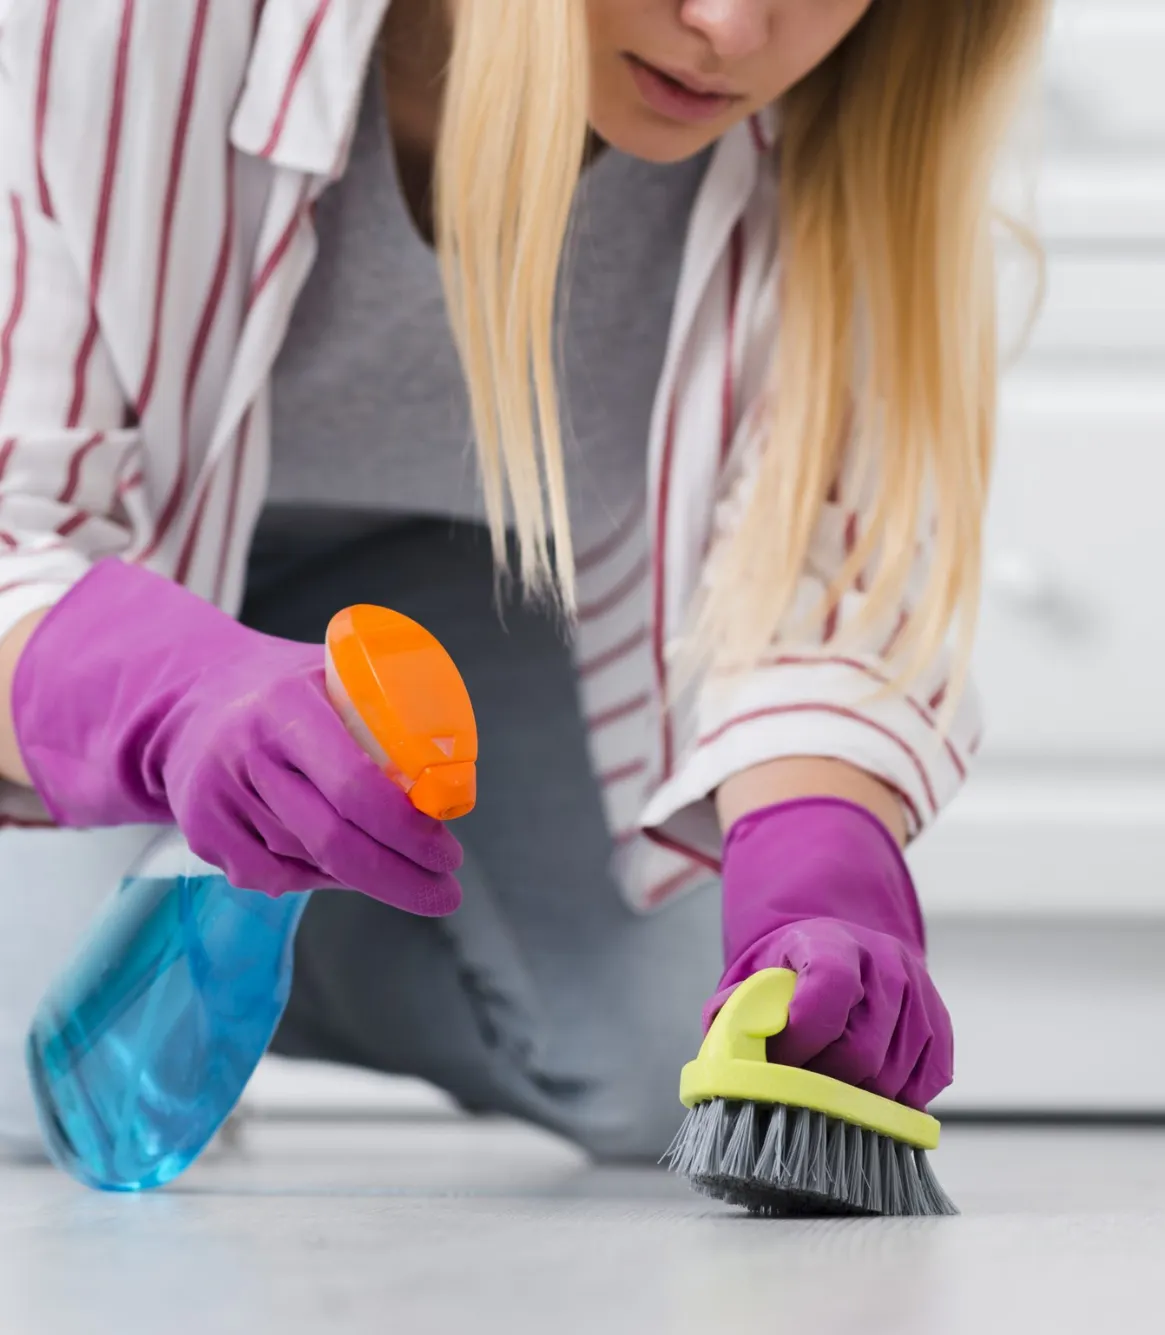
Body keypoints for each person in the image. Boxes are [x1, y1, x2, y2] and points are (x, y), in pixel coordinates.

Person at [0, 0, 1045, 1162]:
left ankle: (260, 918)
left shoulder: (847, 112)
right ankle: (192, 895)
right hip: (93, 619)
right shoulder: (127, 24)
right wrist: (172, 702)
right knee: (27, 1094)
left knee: (673, 1069)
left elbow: (805, 573)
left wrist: (822, 861)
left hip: (449, 598)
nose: (733, 27)